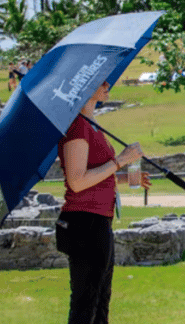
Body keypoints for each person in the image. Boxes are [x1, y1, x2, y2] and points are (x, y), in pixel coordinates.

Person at [55, 80, 151, 324]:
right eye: (101, 81)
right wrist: (120, 160)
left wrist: (127, 176)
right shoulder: (77, 127)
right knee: (86, 304)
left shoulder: (92, 125)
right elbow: (77, 181)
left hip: (99, 222)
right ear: (85, 87)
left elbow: (96, 174)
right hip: (84, 223)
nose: (109, 84)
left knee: (100, 301)